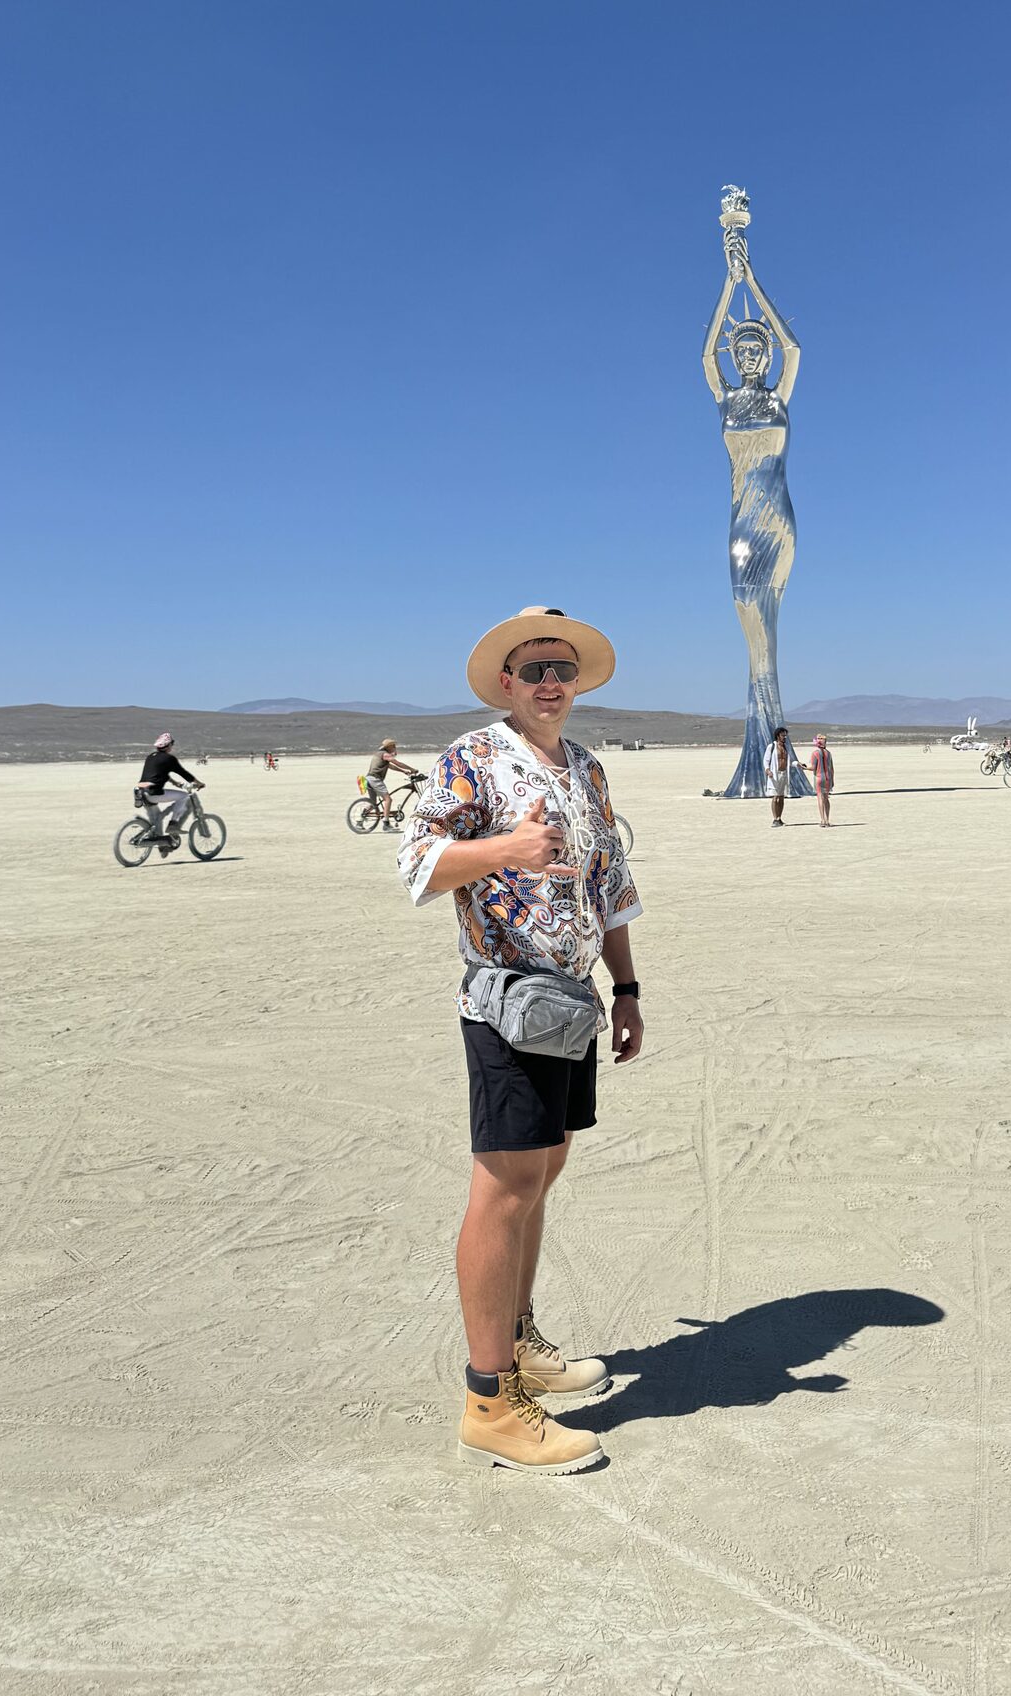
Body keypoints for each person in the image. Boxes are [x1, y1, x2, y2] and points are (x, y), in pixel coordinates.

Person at [397, 606, 643, 1476]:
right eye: (534, 669)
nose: (550, 683)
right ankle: (490, 1403)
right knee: (504, 1188)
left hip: (572, 1004)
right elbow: (417, 865)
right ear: (506, 682)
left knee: (544, 1169)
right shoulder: (471, 758)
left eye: (562, 670)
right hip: (507, 1002)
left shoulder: (587, 768)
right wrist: (509, 847)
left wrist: (627, 988)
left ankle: (518, 1339)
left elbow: (611, 885)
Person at [134, 733, 203, 856]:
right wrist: (199, 783)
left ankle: (163, 847)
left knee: (157, 819)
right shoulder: (169, 759)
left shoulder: (151, 757)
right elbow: (184, 773)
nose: (172, 745)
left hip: (141, 792)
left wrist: (175, 783)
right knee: (183, 796)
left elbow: (159, 774)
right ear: (168, 745)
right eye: (172, 743)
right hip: (153, 793)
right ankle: (173, 824)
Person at [366, 738, 424, 827]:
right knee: (388, 799)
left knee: (373, 804)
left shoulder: (380, 754)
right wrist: (412, 769)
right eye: (393, 746)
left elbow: (391, 766)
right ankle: (386, 823)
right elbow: (398, 763)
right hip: (375, 779)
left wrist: (403, 771)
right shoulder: (385, 755)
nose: (394, 747)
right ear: (389, 747)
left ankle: (360, 819)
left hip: (369, 779)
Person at [762, 725, 792, 825]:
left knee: (781, 797)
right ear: (778, 736)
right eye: (783, 735)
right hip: (775, 774)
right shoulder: (772, 747)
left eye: (785, 735)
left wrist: (798, 764)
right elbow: (766, 760)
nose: (785, 737)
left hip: (783, 774)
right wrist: (767, 770)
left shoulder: (785, 747)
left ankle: (779, 818)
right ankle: (775, 818)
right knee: (775, 797)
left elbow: (788, 761)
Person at [810, 731, 834, 826]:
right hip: (828, 778)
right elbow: (831, 768)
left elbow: (813, 768)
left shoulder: (815, 753)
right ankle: (827, 820)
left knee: (820, 798)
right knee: (826, 799)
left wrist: (802, 767)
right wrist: (832, 780)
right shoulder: (829, 753)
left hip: (819, 777)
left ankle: (822, 820)